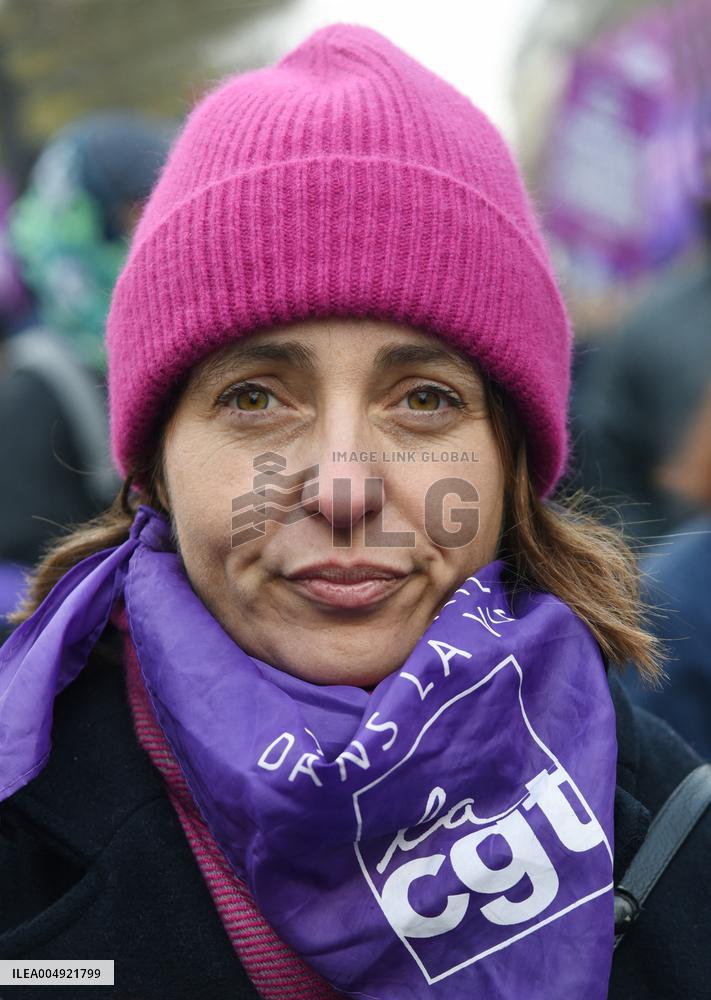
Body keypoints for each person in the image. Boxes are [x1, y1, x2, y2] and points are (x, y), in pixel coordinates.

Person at [0, 23, 708, 1000]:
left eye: (424, 398)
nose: (341, 487)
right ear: (153, 466)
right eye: (254, 397)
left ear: (514, 464)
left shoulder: (676, 832)